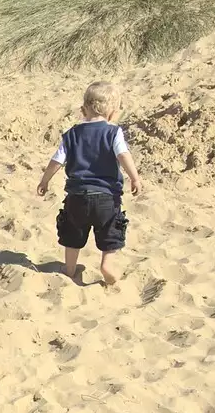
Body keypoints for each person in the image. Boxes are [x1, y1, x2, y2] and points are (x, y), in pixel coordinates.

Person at [36, 80, 144, 288]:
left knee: (72, 233)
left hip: (77, 198)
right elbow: (123, 155)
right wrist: (135, 177)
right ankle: (106, 266)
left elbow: (57, 161)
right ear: (112, 113)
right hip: (106, 198)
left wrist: (45, 180)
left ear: (82, 109)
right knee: (110, 233)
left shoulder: (72, 134)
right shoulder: (113, 132)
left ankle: (69, 269)